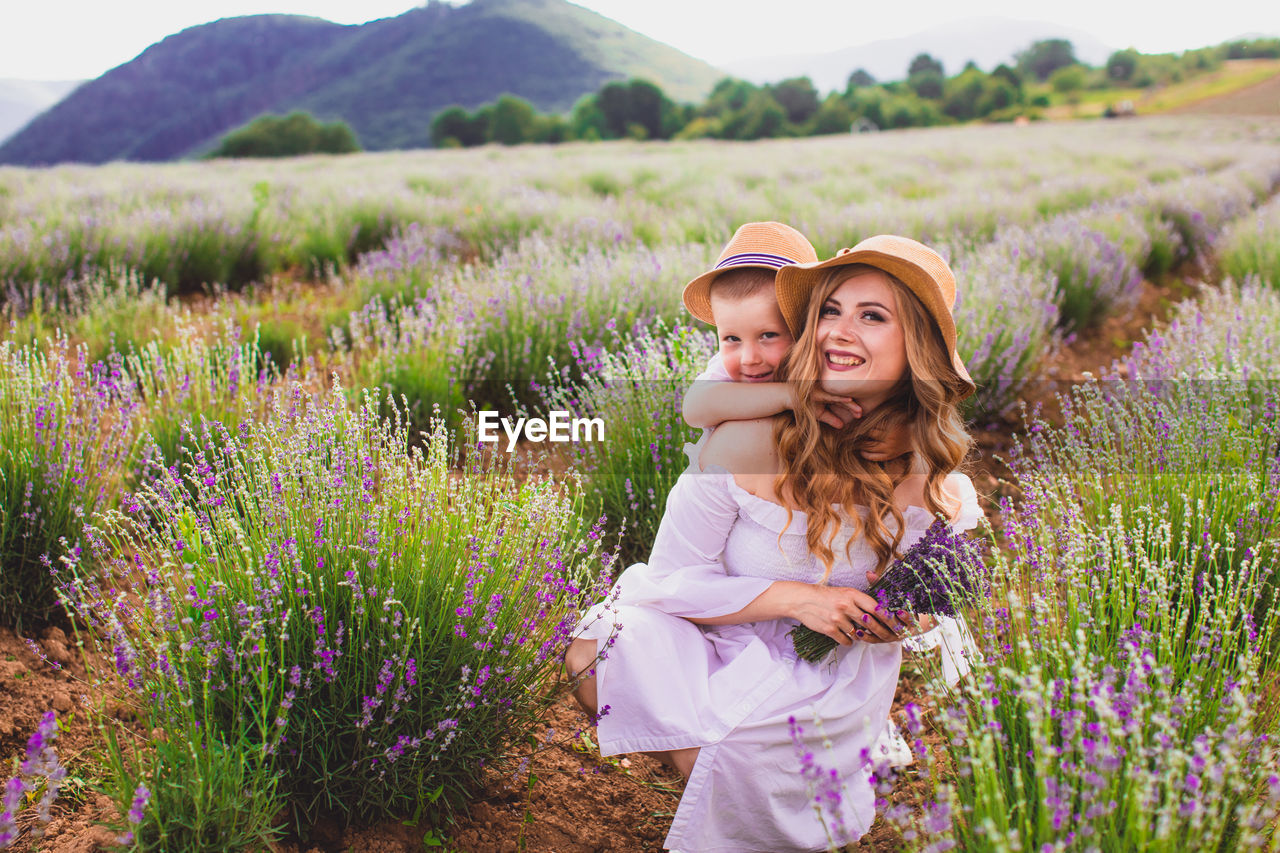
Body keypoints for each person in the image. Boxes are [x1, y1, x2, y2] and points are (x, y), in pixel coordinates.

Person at [565, 234, 980, 852]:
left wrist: (900, 619)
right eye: (829, 312)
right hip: (731, 635)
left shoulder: (933, 482)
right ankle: (718, 789)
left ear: (915, 348)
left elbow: (927, 607)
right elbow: (667, 582)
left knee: (748, 751)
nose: (840, 331)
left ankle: (779, 782)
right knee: (606, 641)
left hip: (834, 674)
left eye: (872, 316)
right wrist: (793, 598)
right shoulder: (745, 440)